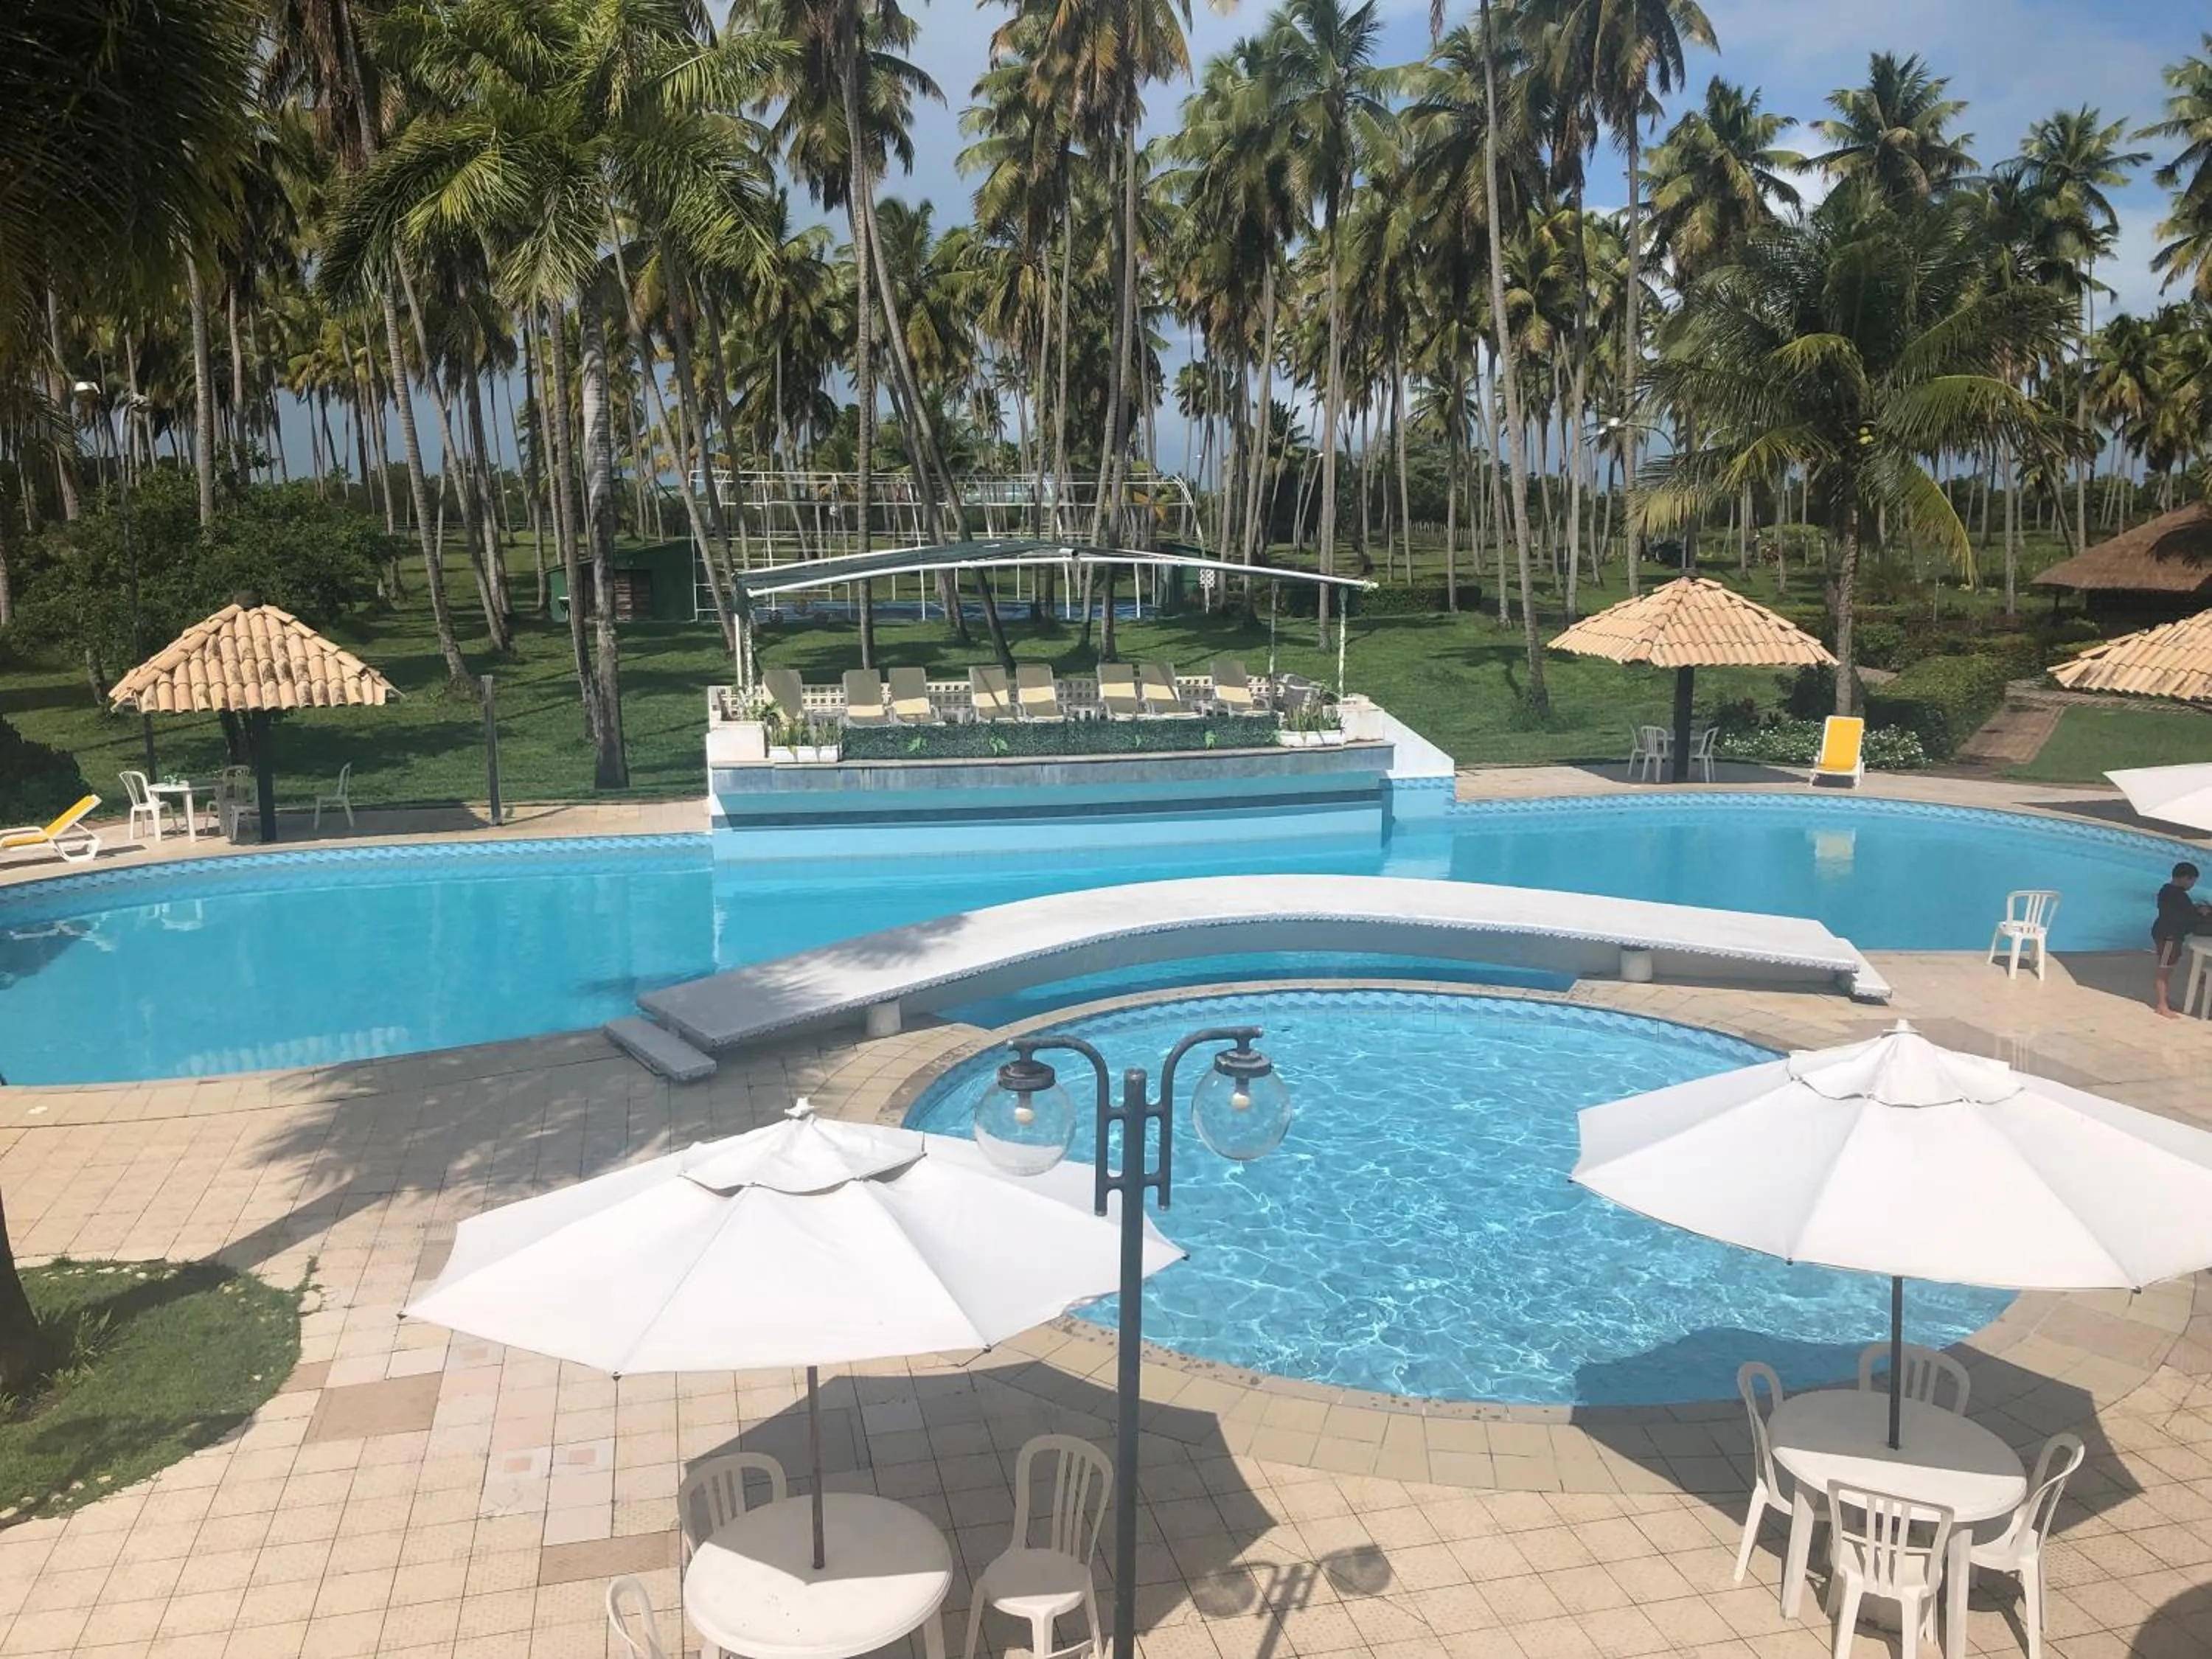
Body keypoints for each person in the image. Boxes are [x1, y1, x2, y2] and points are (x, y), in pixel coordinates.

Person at [2152, 861, 2212, 1018]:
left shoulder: (2167, 891)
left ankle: (2164, 999)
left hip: (2167, 934)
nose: (2192, 885)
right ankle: (2161, 1005)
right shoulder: (2178, 895)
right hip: (2169, 936)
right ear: (2184, 878)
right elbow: (2183, 916)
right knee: (2164, 970)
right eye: (2192, 881)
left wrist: (2196, 910)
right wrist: (2201, 913)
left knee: (2168, 968)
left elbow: (2183, 910)